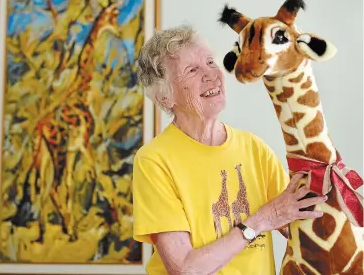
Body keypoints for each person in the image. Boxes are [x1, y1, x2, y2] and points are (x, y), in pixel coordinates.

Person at [132, 25, 327, 275]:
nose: (211, 75)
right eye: (192, 70)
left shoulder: (255, 149)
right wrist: (259, 221)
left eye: (211, 62)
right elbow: (184, 269)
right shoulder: (154, 161)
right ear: (164, 97)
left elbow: (300, 227)